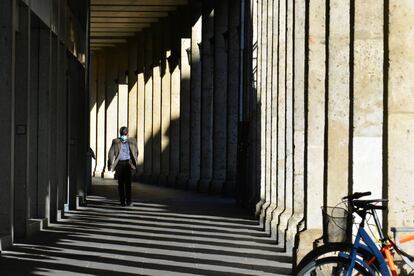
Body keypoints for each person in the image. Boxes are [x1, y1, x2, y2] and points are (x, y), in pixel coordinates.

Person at [107, 126, 138, 206]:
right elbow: (136, 152)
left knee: (122, 184)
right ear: (126, 133)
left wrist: (110, 164)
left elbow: (111, 154)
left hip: (124, 164)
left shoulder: (117, 141)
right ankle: (128, 201)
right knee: (126, 184)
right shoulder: (130, 141)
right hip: (124, 164)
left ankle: (123, 202)